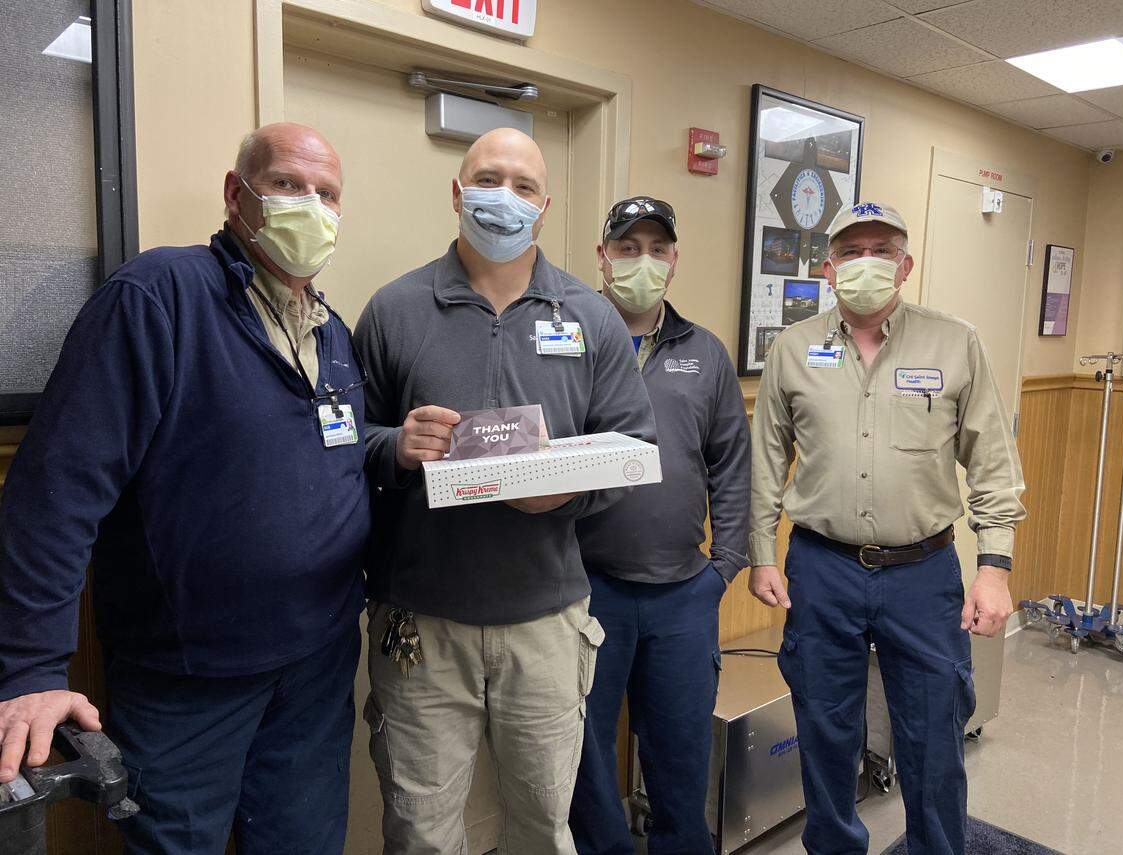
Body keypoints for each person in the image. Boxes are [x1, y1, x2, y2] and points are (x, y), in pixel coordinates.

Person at [0, 122, 369, 854]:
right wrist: (31, 667)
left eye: (327, 194)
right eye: (291, 184)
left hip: (317, 664)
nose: (312, 206)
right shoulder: (158, 297)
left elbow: (327, 445)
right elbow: (55, 491)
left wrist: (398, 448)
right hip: (190, 678)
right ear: (238, 195)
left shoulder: (330, 331)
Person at [353, 128, 656, 854]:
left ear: (544, 207)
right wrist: (395, 446)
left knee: (544, 827)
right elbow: (340, 444)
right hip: (420, 626)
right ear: (458, 194)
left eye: (524, 187)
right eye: (489, 179)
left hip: (546, 625)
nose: (505, 198)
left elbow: (633, 446)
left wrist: (565, 493)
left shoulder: (590, 316)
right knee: (421, 831)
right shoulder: (395, 309)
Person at [748, 201, 1026, 855]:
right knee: (825, 729)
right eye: (850, 250)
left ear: (905, 264)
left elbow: (992, 459)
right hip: (821, 567)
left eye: (881, 249)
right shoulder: (791, 349)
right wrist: (762, 552)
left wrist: (995, 563)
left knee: (933, 733)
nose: (865, 261)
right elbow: (764, 462)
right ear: (827, 267)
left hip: (923, 572)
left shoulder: (954, 341)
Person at [569, 197, 750, 854]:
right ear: (602, 256)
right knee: (583, 759)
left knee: (681, 756)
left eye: (655, 248)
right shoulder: (567, 337)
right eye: (626, 246)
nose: (641, 261)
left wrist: (724, 566)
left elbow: (732, 462)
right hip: (589, 589)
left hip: (683, 594)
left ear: (673, 260)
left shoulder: (705, 354)